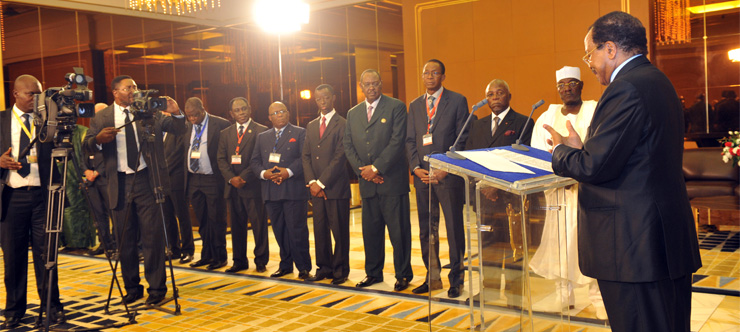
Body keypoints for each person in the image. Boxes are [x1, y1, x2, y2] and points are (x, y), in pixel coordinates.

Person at [545, 12, 701, 332]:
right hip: (661, 242)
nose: (589, 62)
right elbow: (634, 157)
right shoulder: (658, 81)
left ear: (611, 49)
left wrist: (562, 152)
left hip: (633, 248)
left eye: (590, 53)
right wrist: (582, 146)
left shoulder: (625, 88)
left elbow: (594, 166)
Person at [83, 75, 186, 306]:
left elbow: (179, 128)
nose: (133, 91)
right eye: (128, 88)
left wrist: (176, 110)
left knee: (152, 238)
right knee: (125, 241)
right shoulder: (102, 117)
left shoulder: (148, 111)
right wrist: (99, 139)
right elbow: (87, 143)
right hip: (117, 183)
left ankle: (157, 289)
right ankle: (131, 289)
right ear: (115, 92)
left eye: (135, 87)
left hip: (147, 181)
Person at [527, 66, 606, 319]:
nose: (566, 89)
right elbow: (538, 155)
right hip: (558, 194)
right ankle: (565, 298)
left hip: (588, 192)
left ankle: (599, 301)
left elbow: (601, 149)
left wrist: (579, 173)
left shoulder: (595, 110)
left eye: (572, 83)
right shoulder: (547, 116)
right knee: (560, 246)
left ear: (581, 86)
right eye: (562, 85)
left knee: (590, 245)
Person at [0, 75, 65, 329]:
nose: (36, 99)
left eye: (39, 94)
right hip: (12, 196)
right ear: (15, 94)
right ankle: (14, 310)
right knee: (13, 257)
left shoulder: (46, 120)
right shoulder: (2, 119)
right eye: (31, 94)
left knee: (46, 255)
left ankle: (52, 306)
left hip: (44, 196)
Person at [344, 69, 413, 292]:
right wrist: (363, 171)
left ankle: (403, 275)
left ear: (381, 84)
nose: (371, 87)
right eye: (367, 84)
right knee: (371, 233)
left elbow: (397, 141)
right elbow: (348, 145)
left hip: (392, 182)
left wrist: (376, 168)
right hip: (367, 184)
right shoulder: (353, 113)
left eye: (375, 83)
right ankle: (373, 273)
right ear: (361, 86)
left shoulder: (396, 107)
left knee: (399, 233)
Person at [405, 59, 468, 298]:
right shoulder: (415, 105)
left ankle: (456, 280)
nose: (430, 76)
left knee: (453, 229)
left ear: (443, 76)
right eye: (426, 73)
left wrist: (447, 168)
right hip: (423, 177)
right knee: (426, 229)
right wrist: (414, 167)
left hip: (447, 177)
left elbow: (463, 139)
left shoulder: (457, 101)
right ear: (422, 76)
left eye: (435, 73)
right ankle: (432, 278)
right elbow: (410, 140)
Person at [250, 102, 312, 280]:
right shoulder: (262, 137)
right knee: (279, 229)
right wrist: (264, 174)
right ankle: (285, 265)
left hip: (293, 189)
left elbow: (303, 158)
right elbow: (254, 161)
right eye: (275, 113)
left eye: (282, 111)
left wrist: (287, 172)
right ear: (269, 118)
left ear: (288, 113)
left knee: (297, 230)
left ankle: (303, 267)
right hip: (270, 190)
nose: (279, 115)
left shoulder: (300, 132)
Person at [302, 84, 351, 285]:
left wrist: (321, 182)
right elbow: (305, 156)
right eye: (319, 99)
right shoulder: (311, 125)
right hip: (316, 189)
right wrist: (312, 182)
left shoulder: (343, 123)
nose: (322, 101)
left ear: (333, 98)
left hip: (336, 188)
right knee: (320, 230)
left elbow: (341, 157)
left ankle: (340, 271)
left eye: (326, 97)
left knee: (339, 231)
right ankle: (323, 268)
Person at [217, 97, 269, 273]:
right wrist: (231, 178)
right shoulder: (225, 133)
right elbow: (221, 159)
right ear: (231, 114)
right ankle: (239, 261)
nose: (241, 113)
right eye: (237, 110)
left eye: (244, 109)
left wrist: (243, 177)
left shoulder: (261, 131)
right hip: (232, 188)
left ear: (250, 109)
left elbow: (261, 159)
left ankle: (261, 260)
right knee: (237, 227)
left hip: (252, 186)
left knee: (258, 226)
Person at [182, 97, 231, 271]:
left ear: (203, 110)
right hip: (194, 179)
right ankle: (206, 255)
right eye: (189, 116)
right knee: (202, 221)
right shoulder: (187, 126)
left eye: (195, 115)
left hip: (213, 178)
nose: (192, 119)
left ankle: (219, 256)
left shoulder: (221, 124)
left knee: (216, 220)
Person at [161, 97, 195, 264]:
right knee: (167, 216)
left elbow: (177, 155)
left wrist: (162, 170)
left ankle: (187, 249)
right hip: (160, 181)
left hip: (176, 179)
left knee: (182, 216)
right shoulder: (154, 130)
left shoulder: (179, 129)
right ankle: (173, 248)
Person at [85, 102, 115, 257]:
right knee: (98, 216)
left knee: (114, 215)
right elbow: (83, 151)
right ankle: (105, 244)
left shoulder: (112, 133)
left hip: (107, 179)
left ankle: (116, 246)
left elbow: (110, 158)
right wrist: (86, 171)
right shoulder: (91, 133)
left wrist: (97, 172)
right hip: (91, 182)